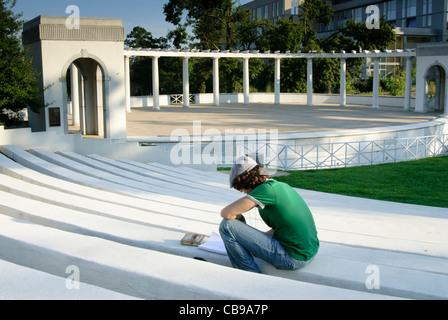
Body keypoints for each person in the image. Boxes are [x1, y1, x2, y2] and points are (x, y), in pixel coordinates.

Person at [219, 156, 319, 273]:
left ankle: (249, 274)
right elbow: (283, 225)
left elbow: (226, 213)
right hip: (309, 252)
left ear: (246, 180)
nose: (241, 191)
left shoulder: (265, 190)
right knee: (231, 225)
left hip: (293, 258)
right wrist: (252, 241)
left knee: (226, 226)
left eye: (240, 187)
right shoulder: (280, 186)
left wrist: (238, 218)